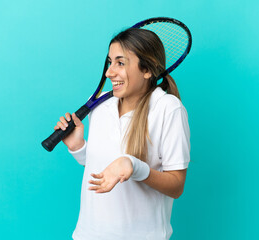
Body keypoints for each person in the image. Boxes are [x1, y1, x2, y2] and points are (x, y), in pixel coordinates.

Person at [54, 28, 190, 240]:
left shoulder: (168, 109)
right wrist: (78, 148)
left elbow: (176, 186)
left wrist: (135, 166)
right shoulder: (99, 104)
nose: (109, 72)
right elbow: (104, 169)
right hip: (88, 235)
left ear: (147, 70)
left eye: (120, 62)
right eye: (110, 62)